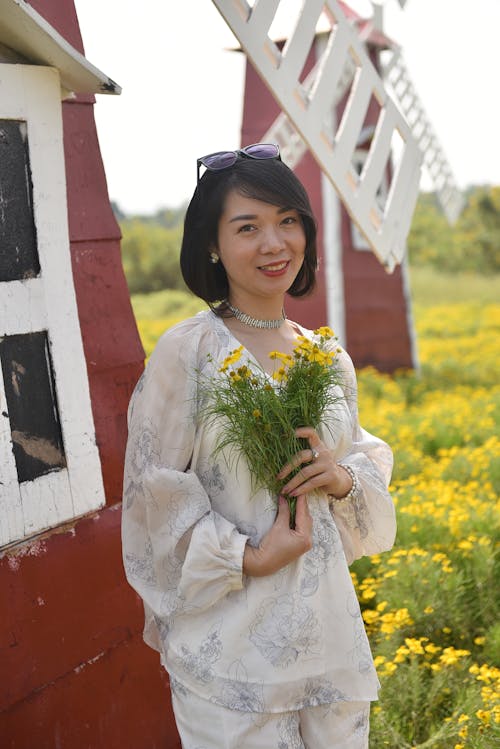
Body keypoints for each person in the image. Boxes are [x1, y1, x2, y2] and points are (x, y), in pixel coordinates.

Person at [122, 143, 396, 748]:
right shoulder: (188, 352)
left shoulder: (326, 356)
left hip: (328, 645)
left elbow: (359, 464)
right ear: (213, 245)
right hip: (232, 658)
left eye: (287, 221)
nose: (274, 244)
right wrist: (251, 557)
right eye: (248, 228)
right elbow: (151, 500)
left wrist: (340, 477)